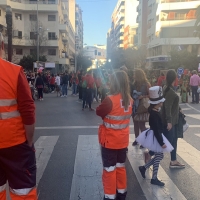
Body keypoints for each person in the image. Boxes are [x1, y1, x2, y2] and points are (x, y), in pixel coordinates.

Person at [0, 32, 37, 199]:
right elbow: (28, 111)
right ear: (2, 46)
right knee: (23, 193)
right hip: (15, 144)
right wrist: (29, 142)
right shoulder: (13, 72)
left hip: (13, 143)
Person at [96, 71, 133, 200]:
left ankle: (110, 196)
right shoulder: (130, 100)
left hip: (110, 141)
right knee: (120, 167)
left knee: (109, 170)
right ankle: (121, 194)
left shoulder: (110, 99)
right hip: (123, 141)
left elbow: (98, 111)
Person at [137, 86, 173, 187]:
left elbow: (157, 127)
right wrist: (162, 143)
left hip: (154, 135)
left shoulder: (154, 111)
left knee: (159, 155)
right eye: (161, 101)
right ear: (157, 103)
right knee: (159, 156)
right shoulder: (154, 114)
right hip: (156, 137)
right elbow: (157, 130)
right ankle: (154, 178)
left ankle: (144, 168)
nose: (162, 103)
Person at [162, 70, 185, 168]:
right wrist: (169, 122)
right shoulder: (170, 91)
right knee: (168, 140)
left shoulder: (166, 88)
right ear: (174, 78)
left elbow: (170, 104)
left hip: (173, 120)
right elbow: (167, 107)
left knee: (173, 140)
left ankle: (173, 160)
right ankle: (150, 153)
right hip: (171, 121)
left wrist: (179, 109)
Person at [132, 69, 151, 146]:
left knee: (141, 125)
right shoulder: (134, 84)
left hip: (142, 107)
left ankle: (144, 140)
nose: (133, 76)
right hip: (135, 106)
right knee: (135, 124)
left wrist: (143, 96)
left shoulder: (146, 84)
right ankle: (137, 139)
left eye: (135, 75)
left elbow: (151, 95)